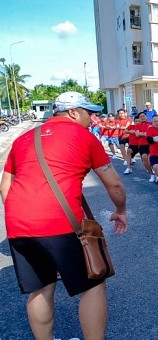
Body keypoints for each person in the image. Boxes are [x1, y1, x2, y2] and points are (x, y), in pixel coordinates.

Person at [0, 91, 128, 340]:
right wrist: (120, 211)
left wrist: (25, 215)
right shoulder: (84, 136)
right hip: (60, 223)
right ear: (72, 112)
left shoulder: (23, 138)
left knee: (40, 289)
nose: (92, 119)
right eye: (88, 113)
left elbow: (5, 187)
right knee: (92, 284)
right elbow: (115, 185)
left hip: (18, 224)